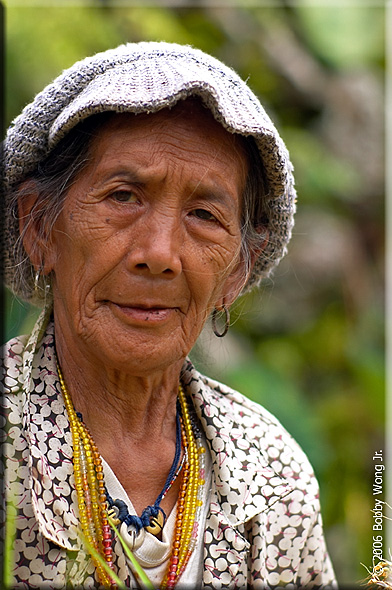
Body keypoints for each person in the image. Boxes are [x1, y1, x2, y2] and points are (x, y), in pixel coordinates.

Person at [1, 41, 335, 589]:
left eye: (204, 214)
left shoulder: (273, 475)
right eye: (124, 196)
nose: (158, 253)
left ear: (236, 273)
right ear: (40, 228)